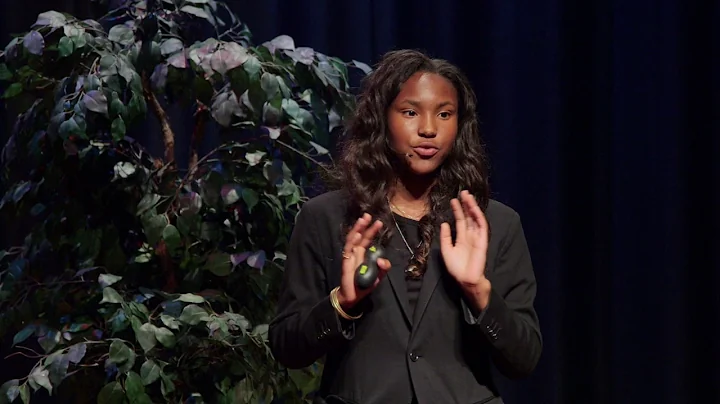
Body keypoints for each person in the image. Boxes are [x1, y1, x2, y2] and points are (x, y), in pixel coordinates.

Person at [268, 49, 542, 404]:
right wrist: (343, 303)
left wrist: (479, 293)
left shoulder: (494, 225)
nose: (428, 129)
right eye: (410, 112)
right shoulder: (326, 218)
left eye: (444, 114)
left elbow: (524, 359)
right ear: (382, 120)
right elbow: (287, 347)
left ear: (460, 125)